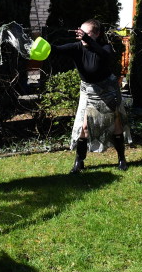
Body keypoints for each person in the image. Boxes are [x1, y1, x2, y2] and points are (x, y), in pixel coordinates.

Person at [50, 19, 131, 173]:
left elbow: (104, 54)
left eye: (86, 34)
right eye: (81, 33)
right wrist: (41, 46)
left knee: (115, 123)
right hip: (88, 91)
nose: (82, 36)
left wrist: (87, 39)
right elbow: (56, 49)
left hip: (108, 89)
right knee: (85, 126)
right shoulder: (76, 47)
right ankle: (79, 162)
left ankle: (121, 159)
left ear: (97, 34)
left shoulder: (105, 47)